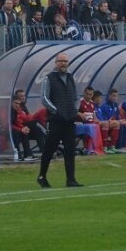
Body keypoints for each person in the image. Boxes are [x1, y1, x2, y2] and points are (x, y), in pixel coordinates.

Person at [37, 52, 85, 188]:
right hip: (56, 121)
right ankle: (42, 176)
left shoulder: (71, 78)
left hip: (69, 120)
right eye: (61, 61)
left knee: (70, 150)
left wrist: (74, 110)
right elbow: (44, 98)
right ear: (56, 63)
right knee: (49, 149)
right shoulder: (49, 78)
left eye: (66, 61)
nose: (64, 63)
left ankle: (71, 179)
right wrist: (56, 111)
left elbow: (76, 97)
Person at [97, 89, 126, 153]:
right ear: (109, 96)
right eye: (113, 96)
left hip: (114, 123)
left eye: (116, 96)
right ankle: (118, 147)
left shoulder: (116, 105)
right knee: (119, 124)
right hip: (106, 124)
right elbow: (102, 118)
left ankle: (124, 146)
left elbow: (117, 116)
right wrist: (112, 120)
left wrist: (120, 120)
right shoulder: (104, 106)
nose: (115, 98)